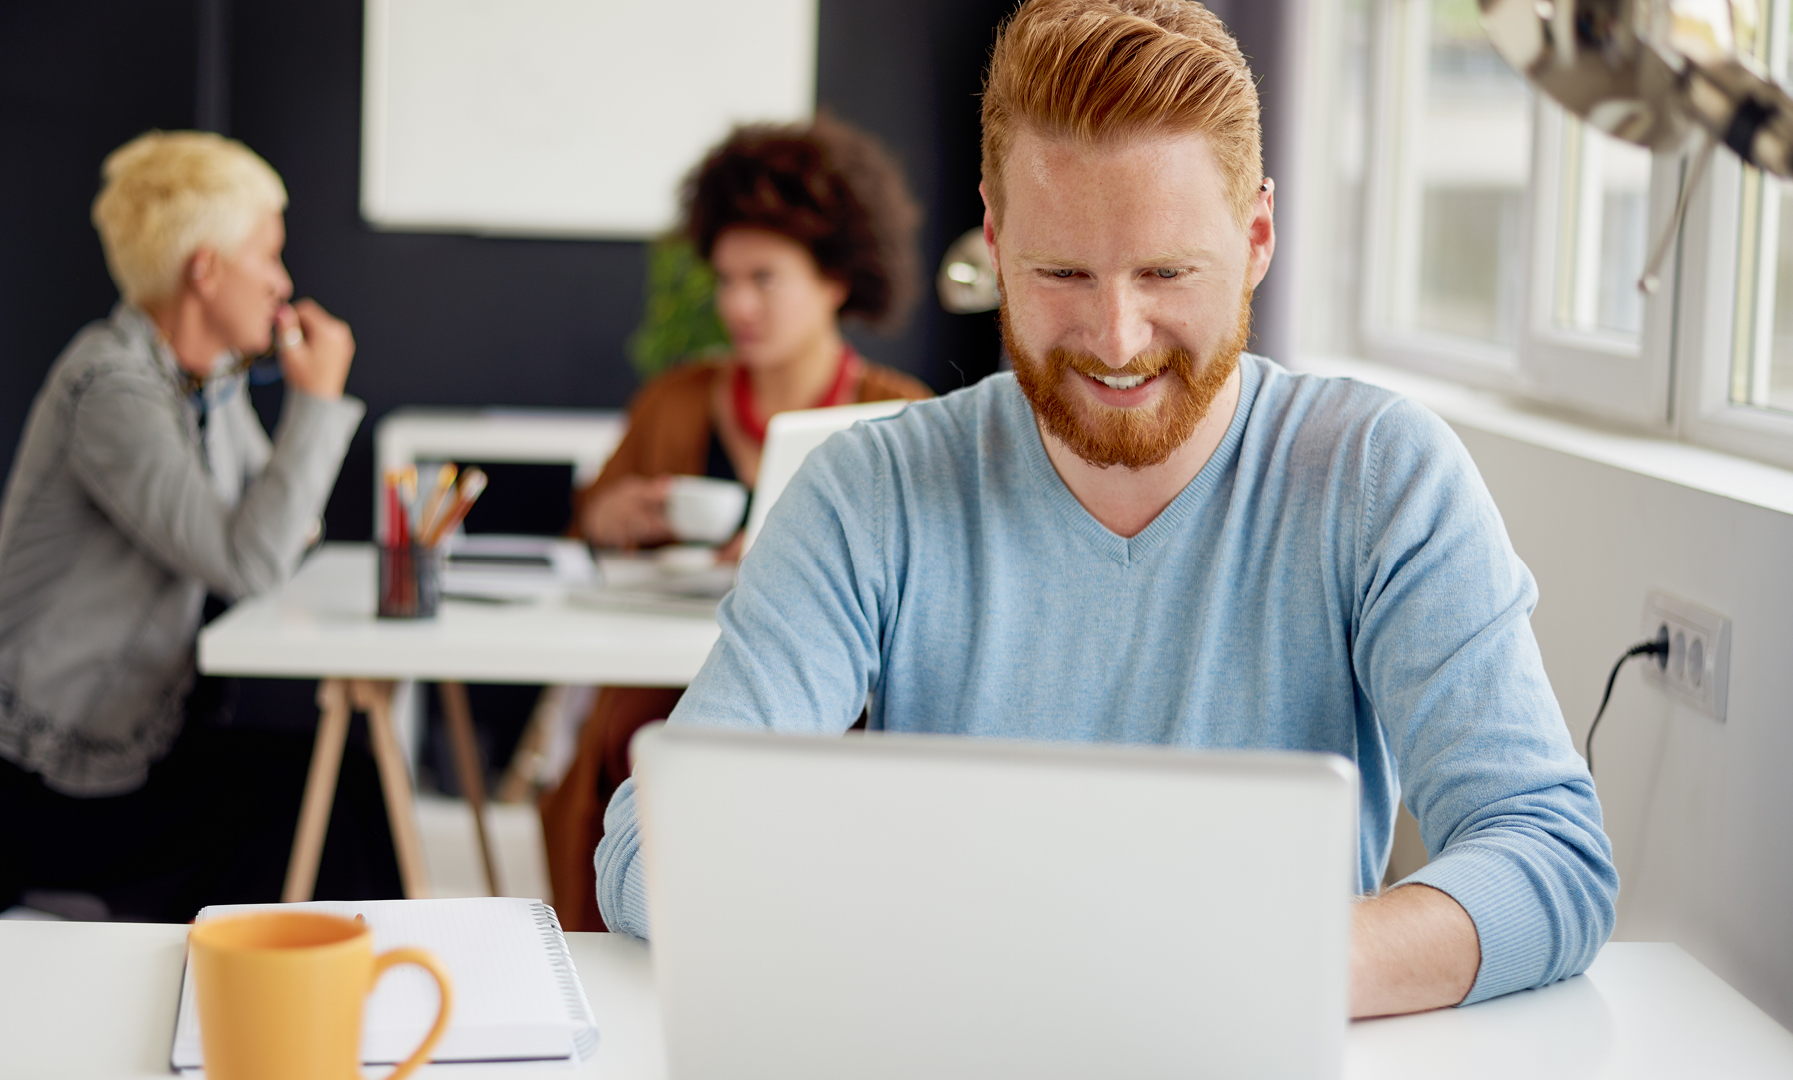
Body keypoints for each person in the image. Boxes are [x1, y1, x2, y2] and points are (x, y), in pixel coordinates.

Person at [593, 0, 1618, 1019]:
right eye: (1061, 274)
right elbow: (652, 844)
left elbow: (1549, 854)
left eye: (1167, 272)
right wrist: (916, 949)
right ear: (995, 243)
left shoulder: (1381, 478)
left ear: (1257, 235)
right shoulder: (874, 491)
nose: (1117, 339)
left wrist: (1255, 968)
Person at [0, 131, 365, 921]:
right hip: (12, 790)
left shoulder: (202, 384)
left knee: (342, 787)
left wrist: (282, 467)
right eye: (269, 257)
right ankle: (254, 1021)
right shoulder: (111, 389)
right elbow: (250, 559)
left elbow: (283, 531)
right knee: (322, 811)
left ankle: (309, 1018)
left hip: (116, 761)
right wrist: (316, 404)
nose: (283, 283)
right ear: (206, 270)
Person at [540, 115, 933, 931]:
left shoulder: (901, 417)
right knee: (626, 734)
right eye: (726, 279)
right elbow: (591, 522)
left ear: (834, 279)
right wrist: (609, 516)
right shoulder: (675, 401)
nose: (736, 304)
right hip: (664, 681)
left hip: (827, 696)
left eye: (764, 278)